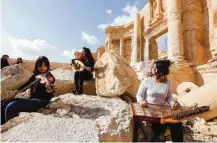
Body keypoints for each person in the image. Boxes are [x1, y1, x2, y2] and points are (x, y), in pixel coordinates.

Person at [136, 60, 183, 142]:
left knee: (176, 122)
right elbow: (139, 95)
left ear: (163, 70)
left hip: (164, 110)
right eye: (153, 68)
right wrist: (141, 101)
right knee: (161, 123)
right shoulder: (147, 81)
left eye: (156, 68)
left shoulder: (167, 82)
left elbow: (169, 97)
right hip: (150, 110)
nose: (153, 70)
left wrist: (172, 102)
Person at [1, 56, 55, 125]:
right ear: (36, 66)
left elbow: (50, 89)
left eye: (44, 65)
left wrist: (49, 88)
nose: (42, 67)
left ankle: (9, 127)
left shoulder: (50, 77)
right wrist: (16, 91)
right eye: (39, 65)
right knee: (4, 102)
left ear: (48, 65)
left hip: (42, 101)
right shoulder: (35, 76)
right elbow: (26, 84)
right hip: (32, 99)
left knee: (11, 106)